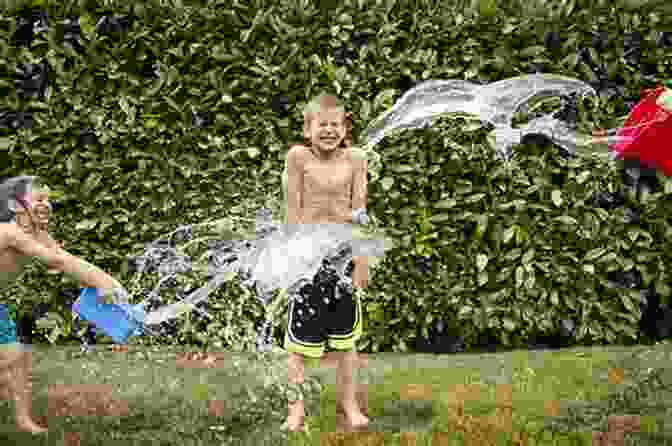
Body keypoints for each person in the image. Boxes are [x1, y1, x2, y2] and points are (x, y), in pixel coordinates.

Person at [0, 176, 127, 434]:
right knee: (11, 357)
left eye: (48, 200)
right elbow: (57, 263)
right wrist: (102, 281)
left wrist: (106, 280)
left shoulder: (37, 233)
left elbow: (66, 258)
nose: (47, 205)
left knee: (18, 357)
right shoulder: (9, 232)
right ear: (15, 206)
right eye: (39, 199)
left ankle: (24, 421)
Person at [282, 94, 370, 432]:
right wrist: (289, 262)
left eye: (336, 124)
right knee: (297, 347)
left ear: (345, 127)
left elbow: (360, 213)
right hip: (307, 258)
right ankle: (295, 410)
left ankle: (349, 405)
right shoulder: (298, 158)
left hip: (343, 258)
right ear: (308, 129)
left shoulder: (357, 159)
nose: (330, 130)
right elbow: (291, 213)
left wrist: (362, 261)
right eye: (323, 124)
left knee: (347, 343)